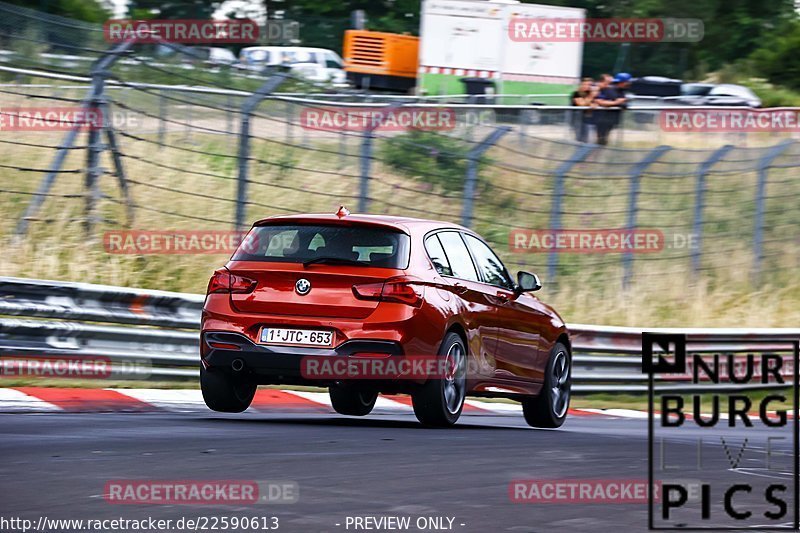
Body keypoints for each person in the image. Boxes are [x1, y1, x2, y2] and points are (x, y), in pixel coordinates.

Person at [593, 72, 631, 145]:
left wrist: (623, 103)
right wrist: (617, 103)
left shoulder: (621, 91)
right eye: (627, 82)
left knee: (604, 141)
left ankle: (598, 155)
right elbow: (600, 101)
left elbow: (622, 103)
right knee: (600, 141)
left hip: (611, 119)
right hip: (602, 119)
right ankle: (589, 155)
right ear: (622, 82)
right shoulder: (608, 89)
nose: (629, 84)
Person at [570, 77, 596, 143]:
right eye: (586, 84)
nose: (588, 86)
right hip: (576, 120)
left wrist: (591, 104)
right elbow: (581, 104)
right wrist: (591, 96)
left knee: (586, 139)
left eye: (590, 85)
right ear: (581, 84)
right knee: (579, 139)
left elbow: (592, 106)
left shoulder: (588, 93)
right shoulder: (576, 94)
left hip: (586, 119)